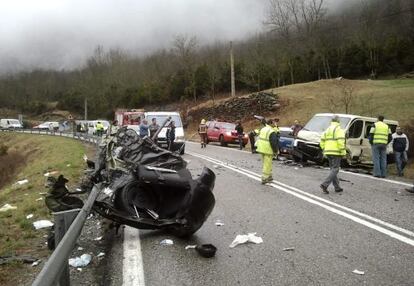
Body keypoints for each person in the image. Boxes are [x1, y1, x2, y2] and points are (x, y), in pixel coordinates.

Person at [320, 115, 346, 194]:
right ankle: (324, 184)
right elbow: (341, 142)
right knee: (335, 169)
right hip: (336, 152)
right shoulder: (339, 130)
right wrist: (343, 152)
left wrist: (324, 149)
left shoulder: (327, 129)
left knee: (333, 170)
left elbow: (322, 141)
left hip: (328, 152)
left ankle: (337, 187)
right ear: (338, 121)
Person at [256, 119, 279, 184]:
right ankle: (265, 178)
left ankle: (269, 176)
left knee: (266, 163)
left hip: (261, 148)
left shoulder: (263, 129)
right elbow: (273, 142)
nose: (274, 124)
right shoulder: (271, 131)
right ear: (271, 123)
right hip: (268, 149)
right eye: (274, 123)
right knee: (267, 164)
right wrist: (275, 151)